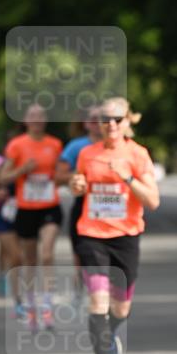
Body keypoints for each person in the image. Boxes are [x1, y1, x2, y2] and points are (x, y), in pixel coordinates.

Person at [69, 97, 160, 354]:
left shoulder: (138, 154)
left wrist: (128, 178)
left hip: (125, 237)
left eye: (117, 118)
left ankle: (110, 333)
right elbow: (78, 185)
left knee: (120, 308)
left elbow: (153, 201)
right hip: (91, 234)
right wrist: (76, 186)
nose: (110, 124)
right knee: (98, 302)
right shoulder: (87, 153)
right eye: (104, 119)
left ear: (127, 121)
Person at [0, 104, 63, 330]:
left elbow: (61, 174)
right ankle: (30, 304)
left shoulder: (55, 144)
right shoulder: (17, 145)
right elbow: (3, 177)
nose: (37, 120)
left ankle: (47, 304)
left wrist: (59, 177)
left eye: (41, 116)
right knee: (29, 260)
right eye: (32, 116)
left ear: (46, 120)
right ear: (25, 121)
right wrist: (22, 170)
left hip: (50, 206)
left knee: (47, 254)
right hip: (26, 208)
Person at [56, 105, 102, 299]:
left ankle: (102, 289)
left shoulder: (115, 144)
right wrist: (80, 175)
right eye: (92, 119)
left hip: (110, 207)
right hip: (83, 204)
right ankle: (81, 284)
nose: (97, 122)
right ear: (85, 123)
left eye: (101, 118)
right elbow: (58, 176)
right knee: (81, 252)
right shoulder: (77, 146)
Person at [0, 139, 22, 304]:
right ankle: (5, 279)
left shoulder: (24, 166)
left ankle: (17, 289)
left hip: (23, 215)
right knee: (10, 253)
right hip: (3, 216)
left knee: (19, 255)